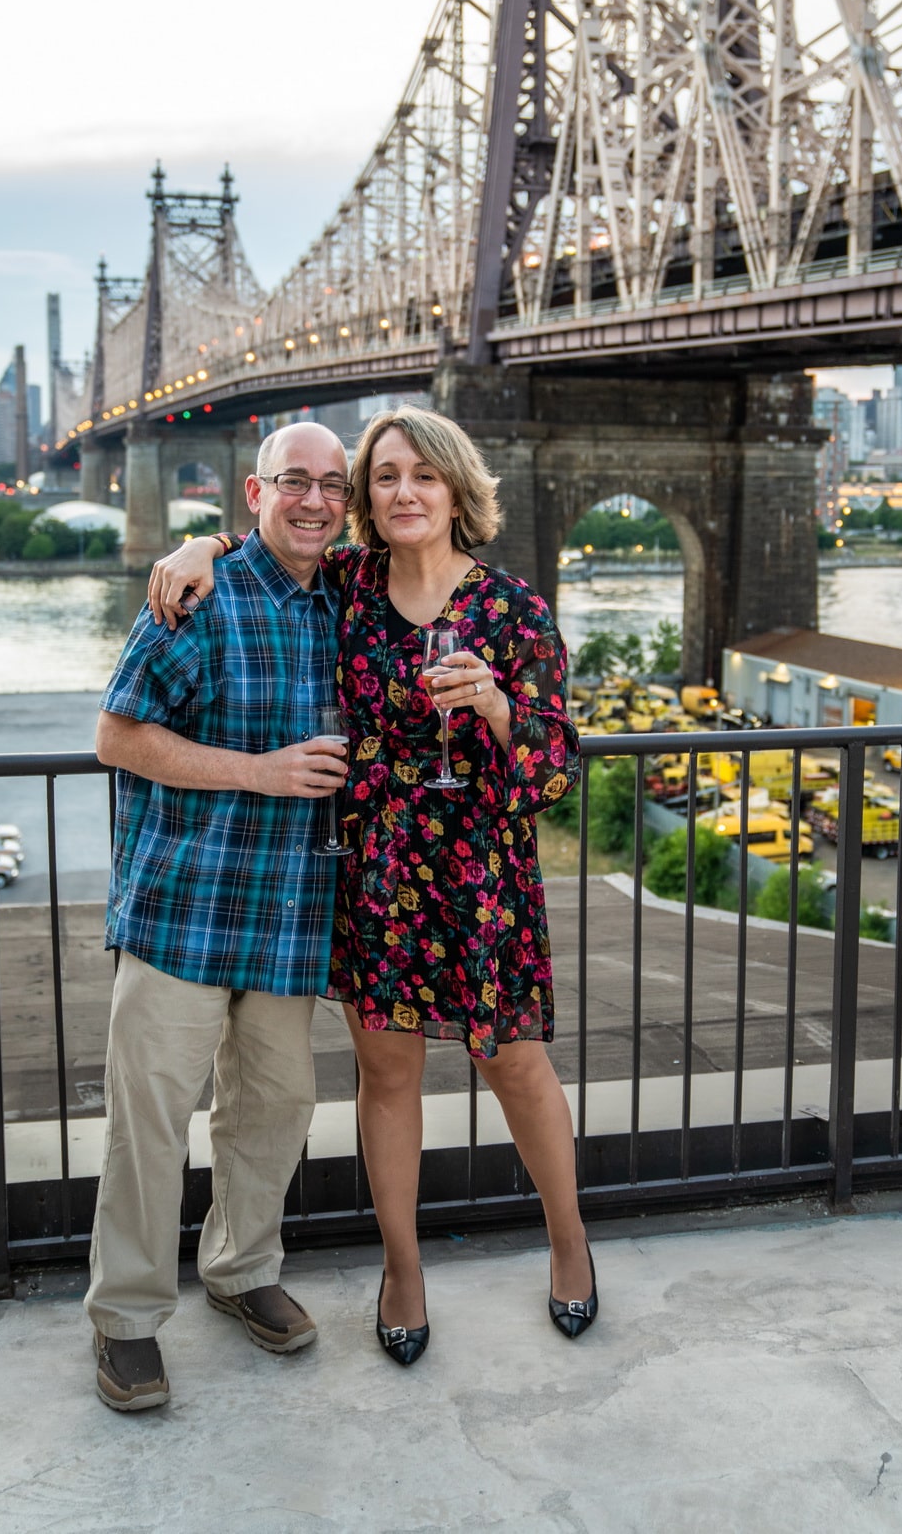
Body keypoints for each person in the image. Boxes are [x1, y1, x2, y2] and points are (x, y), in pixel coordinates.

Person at [148, 406, 594, 1368]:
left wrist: (498, 705)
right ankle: (403, 1269)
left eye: (422, 476)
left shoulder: (513, 608)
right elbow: (273, 538)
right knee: (387, 1078)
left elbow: (556, 769)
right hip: (379, 876)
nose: (403, 492)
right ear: (364, 499)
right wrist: (204, 542)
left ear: (455, 490)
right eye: (384, 477)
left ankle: (570, 1245)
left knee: (515, 1065)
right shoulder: (348, 585)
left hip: (483, 877)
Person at [86, 421, 352, 1412]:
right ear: (255, 492)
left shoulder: (352, 599)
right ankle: (126, 1319)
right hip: (184, 910)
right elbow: (116, 734)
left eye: (332, 484)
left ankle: (240, 1271)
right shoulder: (195, 596)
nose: (314, 500)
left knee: (275, 1109)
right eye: (295, 481)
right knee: (150, 1124)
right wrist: (264, 774)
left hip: (287, 915)